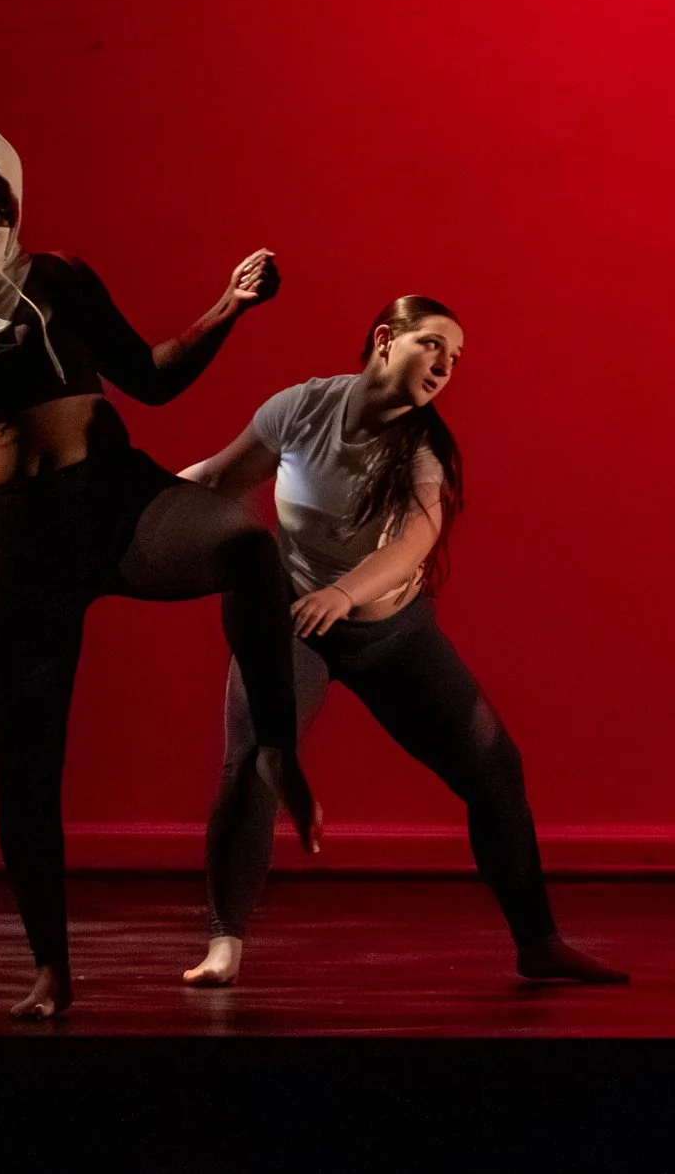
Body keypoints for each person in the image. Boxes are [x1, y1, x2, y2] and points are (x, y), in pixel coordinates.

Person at [0, 121, 317, 1020]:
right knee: (26, 762)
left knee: (245, 544)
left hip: (114, 502)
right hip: (9, 545)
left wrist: (227, 305)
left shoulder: (58, 278)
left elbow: (148, 378)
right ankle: (51, 969)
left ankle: (276, 745)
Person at [179, 296, 625, 988]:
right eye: (432, 345)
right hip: (295, 626)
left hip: (392, 633)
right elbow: (216, 480)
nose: (445, 366)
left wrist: (345, 592)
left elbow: (419, 537)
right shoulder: (300, 408)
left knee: (495, 767)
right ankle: (224, 944)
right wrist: (128, 508)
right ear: (385, 339)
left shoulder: (422, 447)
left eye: (456, 358)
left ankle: (537, 942)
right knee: (251, 761)